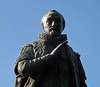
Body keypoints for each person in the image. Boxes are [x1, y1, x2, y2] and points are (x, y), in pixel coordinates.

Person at [14, 10, 87, 87]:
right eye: (49, 21)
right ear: (43, 26)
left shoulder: (73, 54)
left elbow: (82, 83)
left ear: (63, 26)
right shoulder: (31, 47)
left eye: (58, 22)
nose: (53, 24)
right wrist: (50, 57)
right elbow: (21, 68)